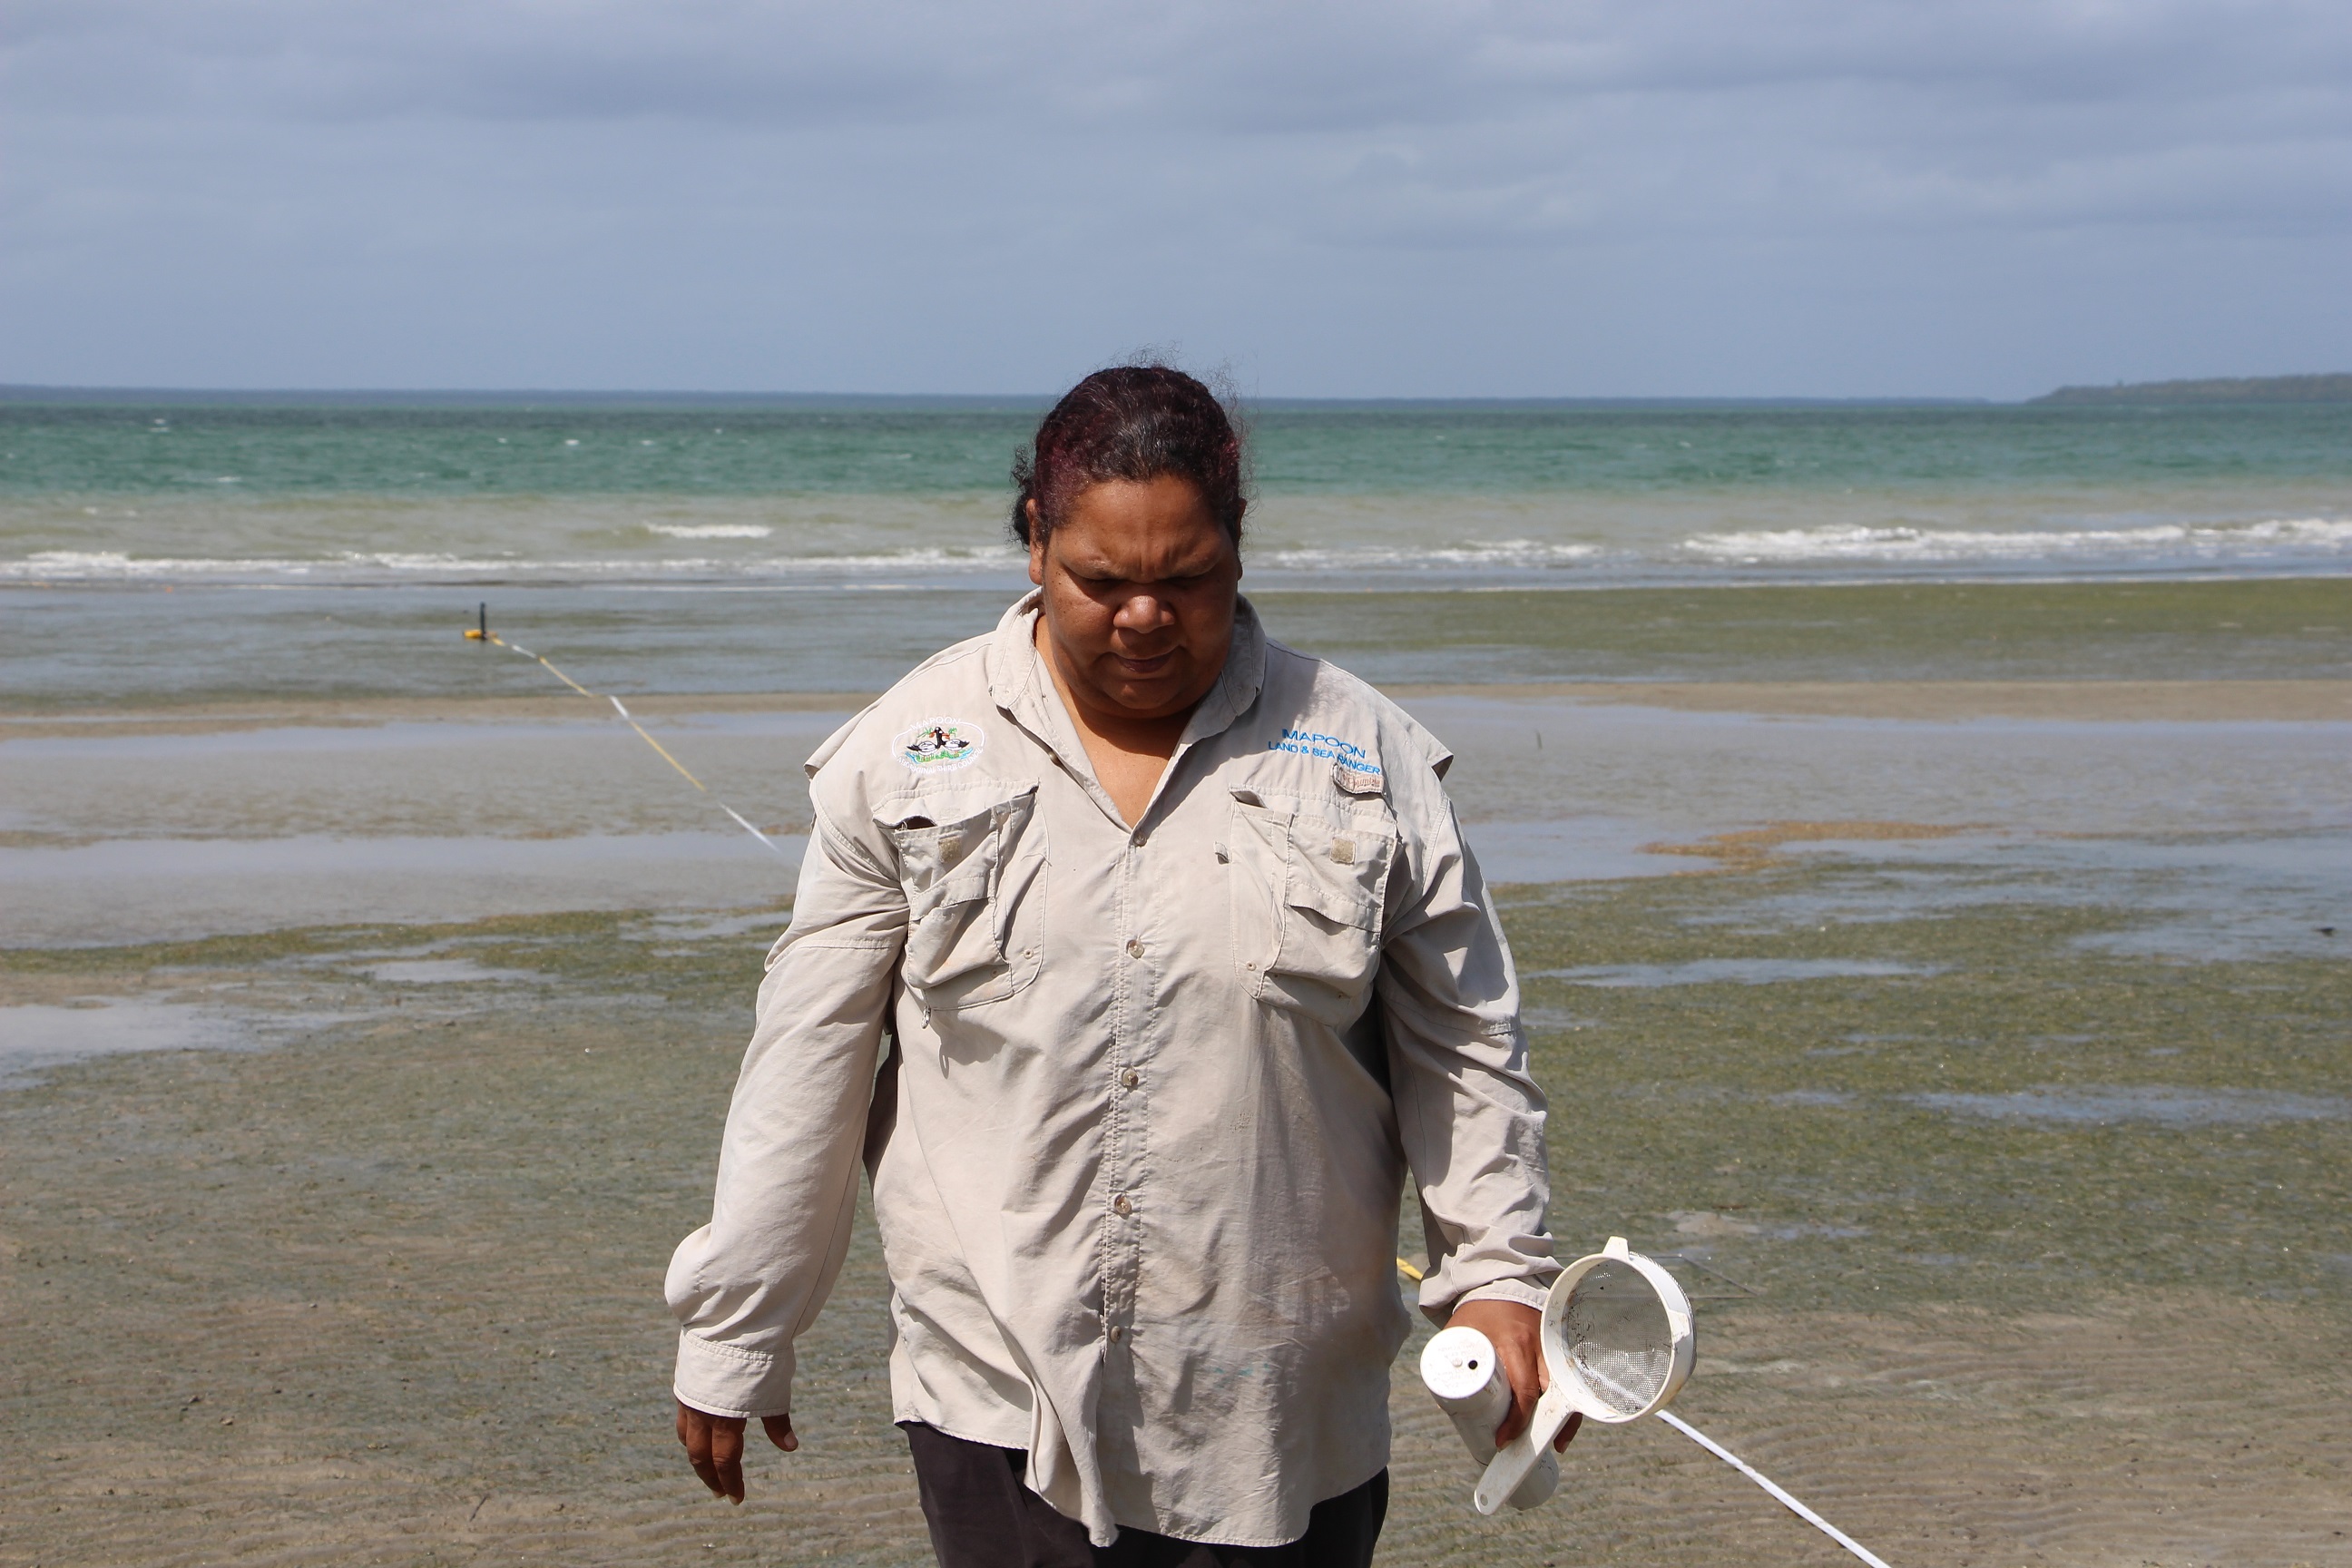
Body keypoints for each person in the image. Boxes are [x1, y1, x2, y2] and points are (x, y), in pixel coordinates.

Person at [667, 366, 1568, 1565]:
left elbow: (1465, 1052)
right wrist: (740, 1329)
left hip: (1280, 1405)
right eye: (1104, 581)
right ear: (1035, 545)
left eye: (1185, 579)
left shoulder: (1368, 759)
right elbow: (808, 1062)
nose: (1145, 617)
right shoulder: (903, 759)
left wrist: (1500, 1274)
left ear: (1238, 550)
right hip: (998, 1393)